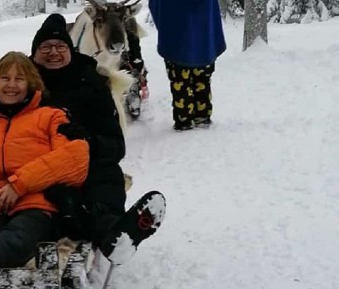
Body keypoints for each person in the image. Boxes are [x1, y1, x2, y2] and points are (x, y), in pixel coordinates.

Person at [28, 13, 165, 263]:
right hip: (34, 163)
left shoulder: (90, 83)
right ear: (34, 53)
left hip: (83, 160)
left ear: (71, 50)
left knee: (103, 174)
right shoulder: (22, 83)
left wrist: (88, 141)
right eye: (45, 47)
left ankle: (113, 233)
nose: (53, 52)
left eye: (60, 46)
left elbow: (115, 144)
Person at [0, 52, 90, 269]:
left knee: (20, 236)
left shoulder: (50, 117)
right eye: (5, 78)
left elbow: (75, 156)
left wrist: (18, 185)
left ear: (30, 84)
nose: (11, 85)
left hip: (34, 205)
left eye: (19, 79)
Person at [148, 0, 227, 130]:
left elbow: (155, 6)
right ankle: (202, 115)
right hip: (204, 42)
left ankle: (184, 119)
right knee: (202, 80)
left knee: (180, 83)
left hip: (176, 43)